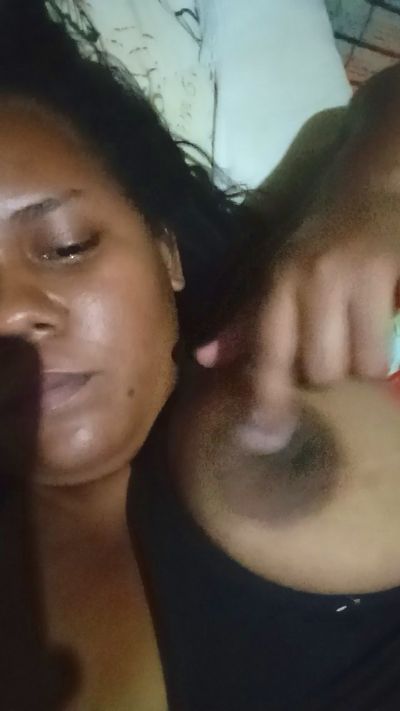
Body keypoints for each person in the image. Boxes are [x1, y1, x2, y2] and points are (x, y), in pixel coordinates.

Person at [0, 2, 399, 709]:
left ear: (167, 253)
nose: (9, 314)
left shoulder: (269, 374)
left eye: (66, 246)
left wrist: (375, 191)